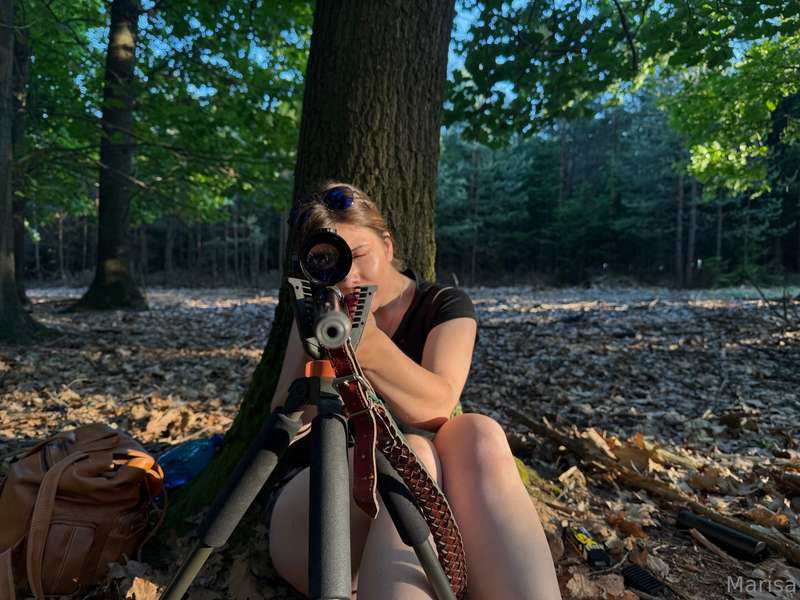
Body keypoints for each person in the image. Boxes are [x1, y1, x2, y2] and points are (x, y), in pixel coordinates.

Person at [268, 182, 561, 599]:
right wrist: (321, 347)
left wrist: (368, 349)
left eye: (358, 256)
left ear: (387, 245)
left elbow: (439, 406)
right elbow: (285, 424)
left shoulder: (443, 305)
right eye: (328, 264)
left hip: (425, 512)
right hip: (319, 520)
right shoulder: (315, 315)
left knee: (476, 431)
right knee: (411, 454)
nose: (348, 277)